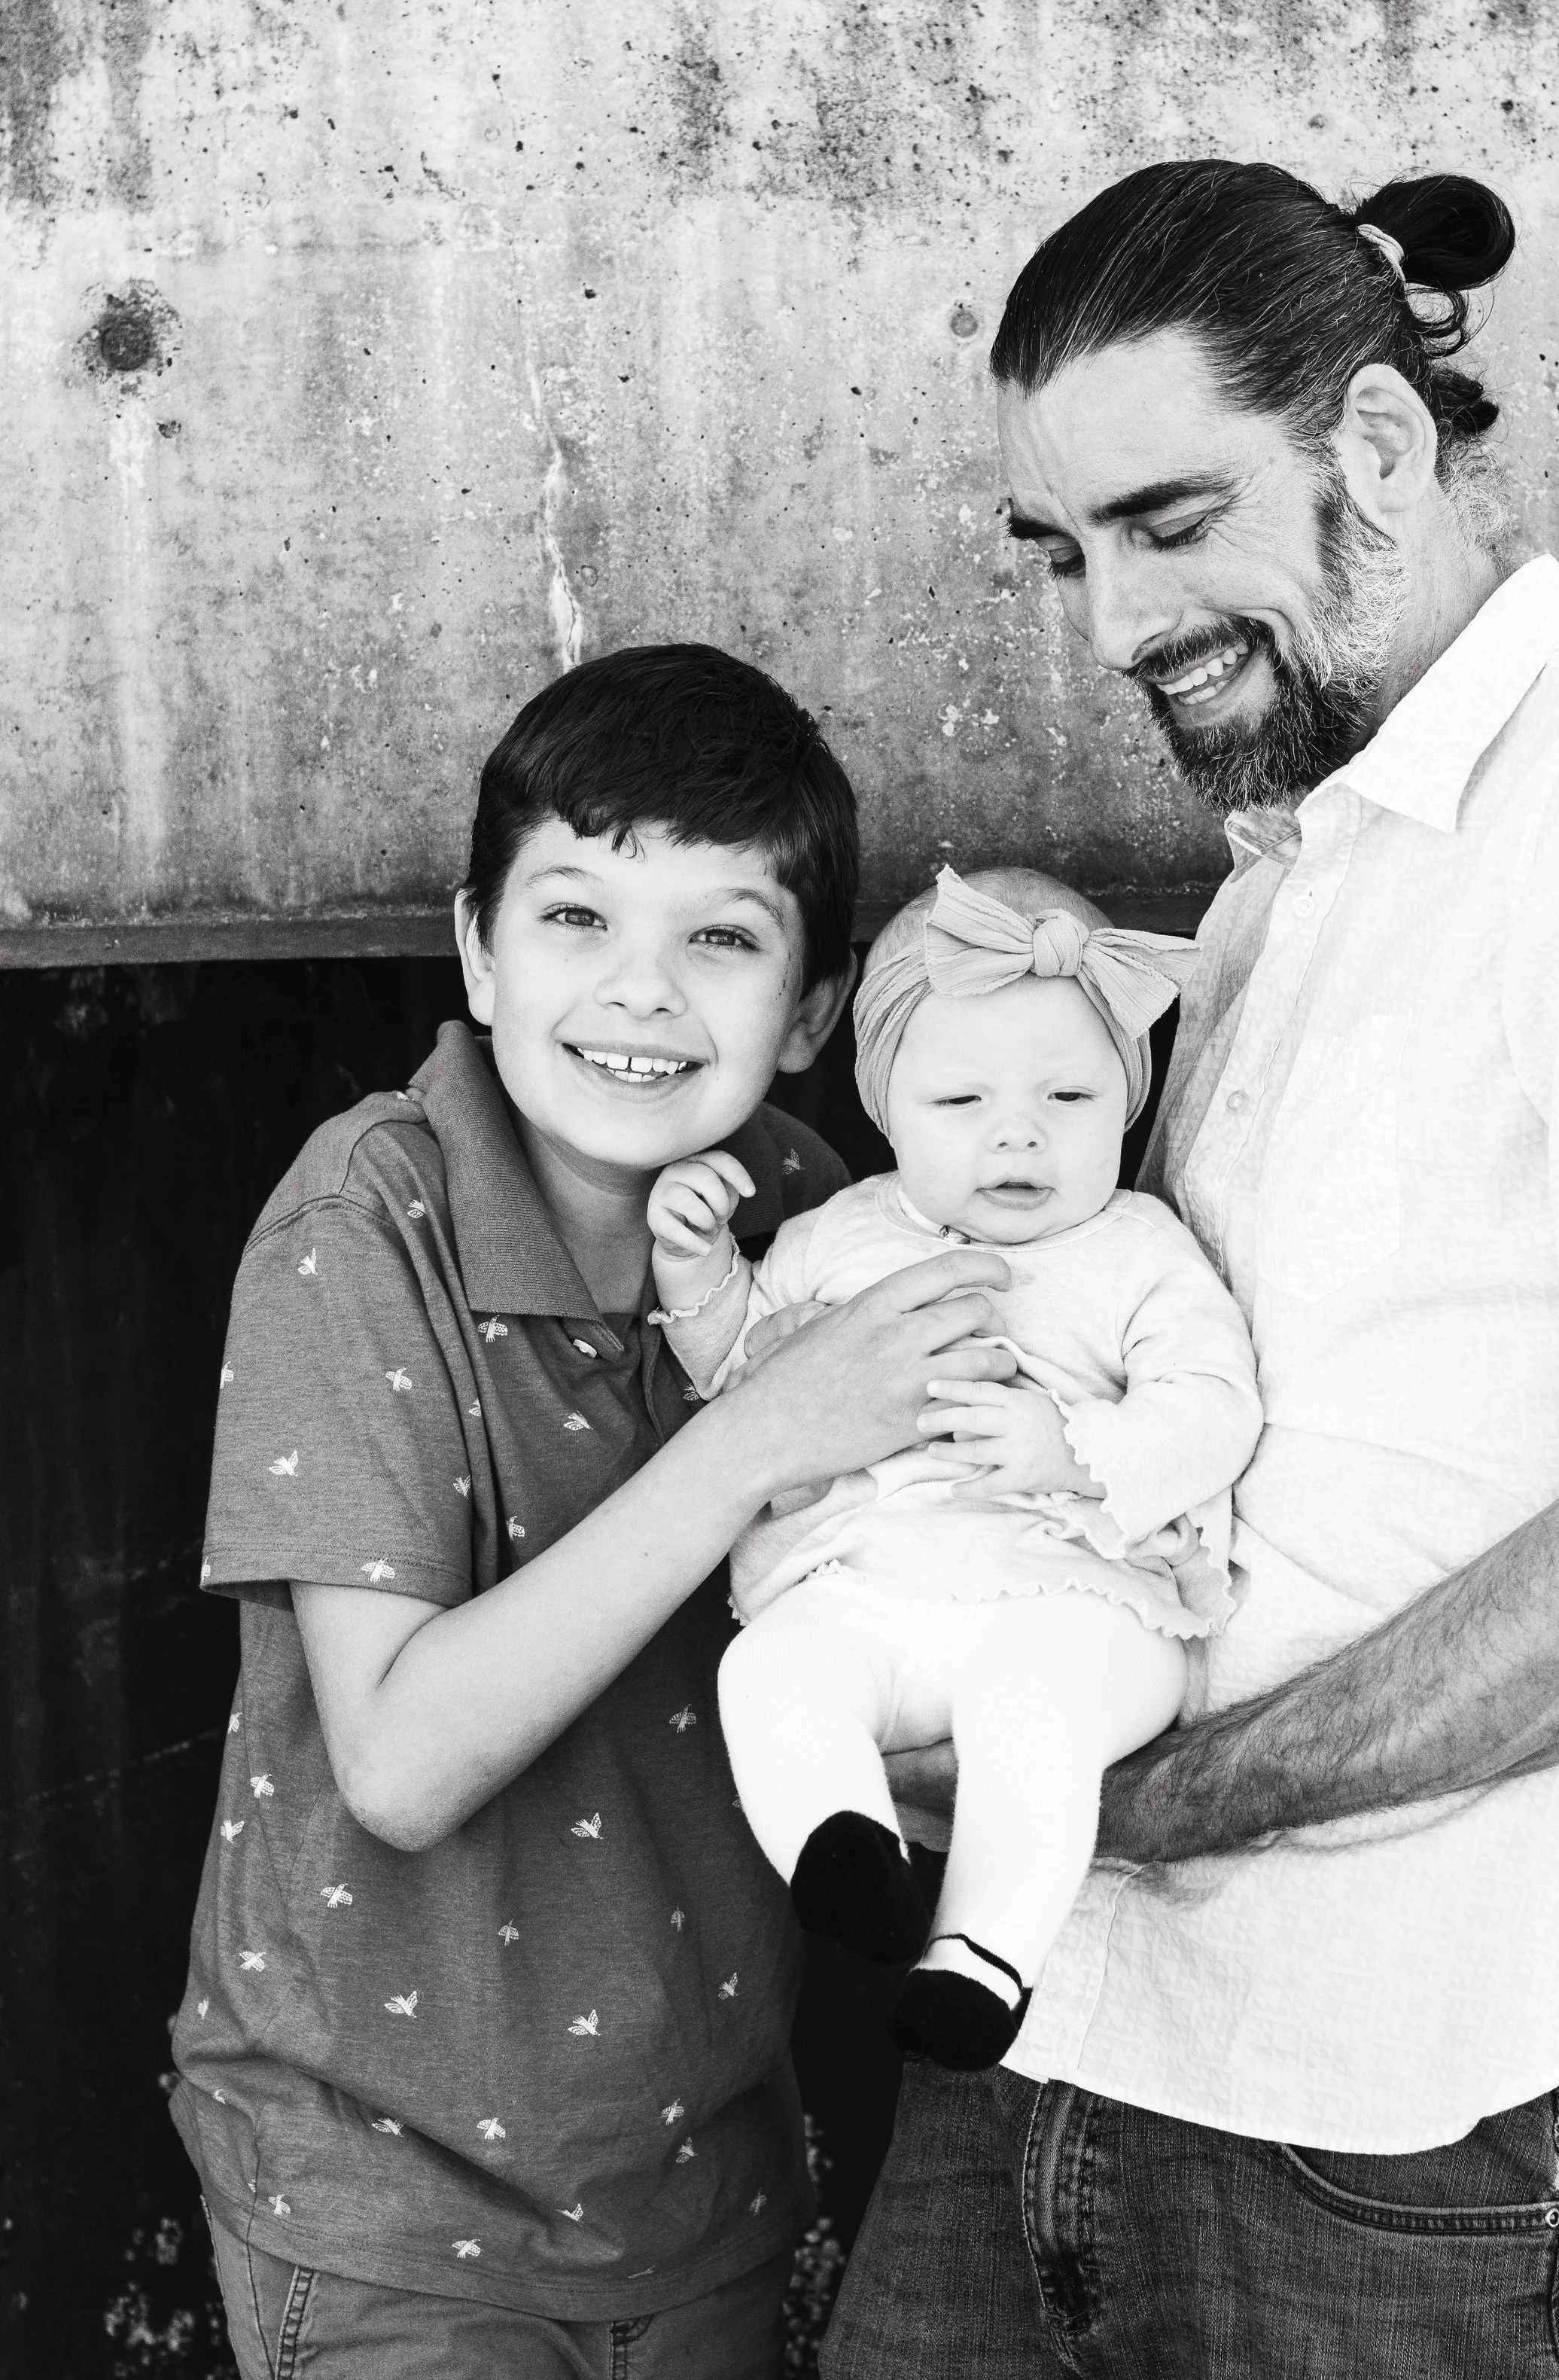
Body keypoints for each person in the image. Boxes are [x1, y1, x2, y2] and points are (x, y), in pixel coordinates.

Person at [823, 163, 1559, 2380]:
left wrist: (1149, 1804)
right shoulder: (1285, 887)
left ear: (1376, 453)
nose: (1108, 621)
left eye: (1167, 520)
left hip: (1416, 2130)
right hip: (1060, 2040)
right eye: (1068, 550)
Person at [169, 644, 1019, 2380]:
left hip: (701, 2180)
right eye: (574, 918)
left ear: (807, 1010)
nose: (640, 995)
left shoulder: (823, 1221)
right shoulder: (366, 1221)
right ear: (476, 947)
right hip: (390, 2203)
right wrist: (754, 1435)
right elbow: (399, 1762)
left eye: (717, 937)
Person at [645, 865, 1261, 2073]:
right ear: (887, 1106)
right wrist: (698, 1275)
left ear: (1126, 1105)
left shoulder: (1138, 1250)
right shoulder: (836, 1238)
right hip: (866, 1588)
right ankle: (844, 1849)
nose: (1017, 1132)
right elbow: (744, 1381)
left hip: (1071, 1599)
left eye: (1071, 1094)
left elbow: (1214, 1411)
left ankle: (984, 1953)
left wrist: (1072, 1450)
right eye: (961, 1098)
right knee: (771, 1668)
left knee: (1035, 1718)